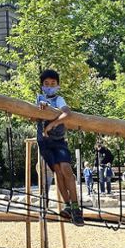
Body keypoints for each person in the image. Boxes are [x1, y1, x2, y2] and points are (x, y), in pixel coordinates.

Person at [34, 69, 83, 226]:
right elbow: (33, 114)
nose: (49, 86)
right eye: (46, 84)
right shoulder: (39, 99)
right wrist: (40, 108)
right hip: (45, 142)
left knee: (66, 169)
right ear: (42, 86)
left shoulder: (59, 99)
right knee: (58, 172)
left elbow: (67, 114)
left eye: (53, 84)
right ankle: (68, 205)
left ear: (58, 85)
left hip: (59, 140)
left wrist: (53, 123)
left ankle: (76, 207)